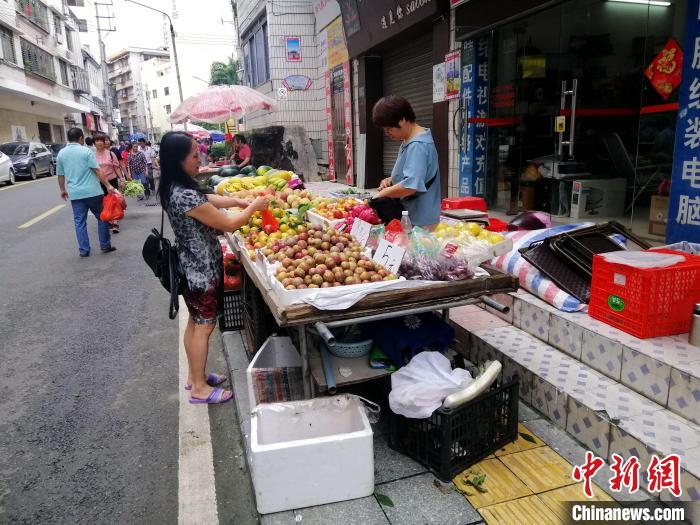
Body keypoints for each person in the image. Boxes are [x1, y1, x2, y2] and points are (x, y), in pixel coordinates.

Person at [157, 131, 270, 404]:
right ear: (178, 160)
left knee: (196, 323)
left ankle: (195, 377)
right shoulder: (183, 194)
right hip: (200, 270)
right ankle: (199, 389)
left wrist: (238, 201)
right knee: (205, 327)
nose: (200, 159)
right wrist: (253, 206)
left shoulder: (176, 186)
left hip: (191, 264)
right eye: (194, 155)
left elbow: (207, 200)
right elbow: (229, 224)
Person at [371, 95, 441, 229]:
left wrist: (382, 194)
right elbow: (416, 173)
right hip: (412, 215)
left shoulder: (418, 145)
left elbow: (410, 185)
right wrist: (392, 180)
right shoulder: (409, 141)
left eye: (389, 129)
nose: (387, 133)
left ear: (402, 119)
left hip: (420, 219)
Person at [56, 127, 117, 257]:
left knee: (79, 222)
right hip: (93, 192)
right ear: (81, 138)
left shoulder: (61, 154)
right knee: (102, 218)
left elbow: (60, 175)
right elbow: (97, 170)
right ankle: (105, 245)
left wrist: (62, 190)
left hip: (75, 194)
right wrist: (108, 185)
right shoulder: (86, 151)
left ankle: (84, 250)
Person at [94, 132, 127, 233]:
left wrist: (121, 179)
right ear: (94, 143)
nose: (99, 142)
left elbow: (116, 168)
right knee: (103, 203)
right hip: (99, 182)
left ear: (105, 142)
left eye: (101, 140)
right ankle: (108, 220)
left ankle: (115, 223)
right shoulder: (91, 155)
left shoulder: (111, 154)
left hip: (112, 180)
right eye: (97, 140)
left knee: (114, 202)